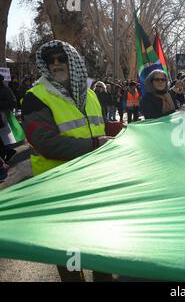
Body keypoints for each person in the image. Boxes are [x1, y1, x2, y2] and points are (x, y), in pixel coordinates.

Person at [21, 40, 113, 282]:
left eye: (61, 58)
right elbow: (46, 143)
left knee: (101, 238)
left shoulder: (90, 95)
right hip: (59, 187)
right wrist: (95, 145)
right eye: (50, 60)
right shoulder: (35, 97)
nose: (56, 64)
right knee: (70, 247)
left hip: (94, 182)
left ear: (73, 62)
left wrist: (126, 131)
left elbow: (97, 128)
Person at [0, 74, 18, 166]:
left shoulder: (5, 90)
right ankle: (8, 153)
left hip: (4, 116)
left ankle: (7, 154)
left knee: (4, 138)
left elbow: (12, 102)